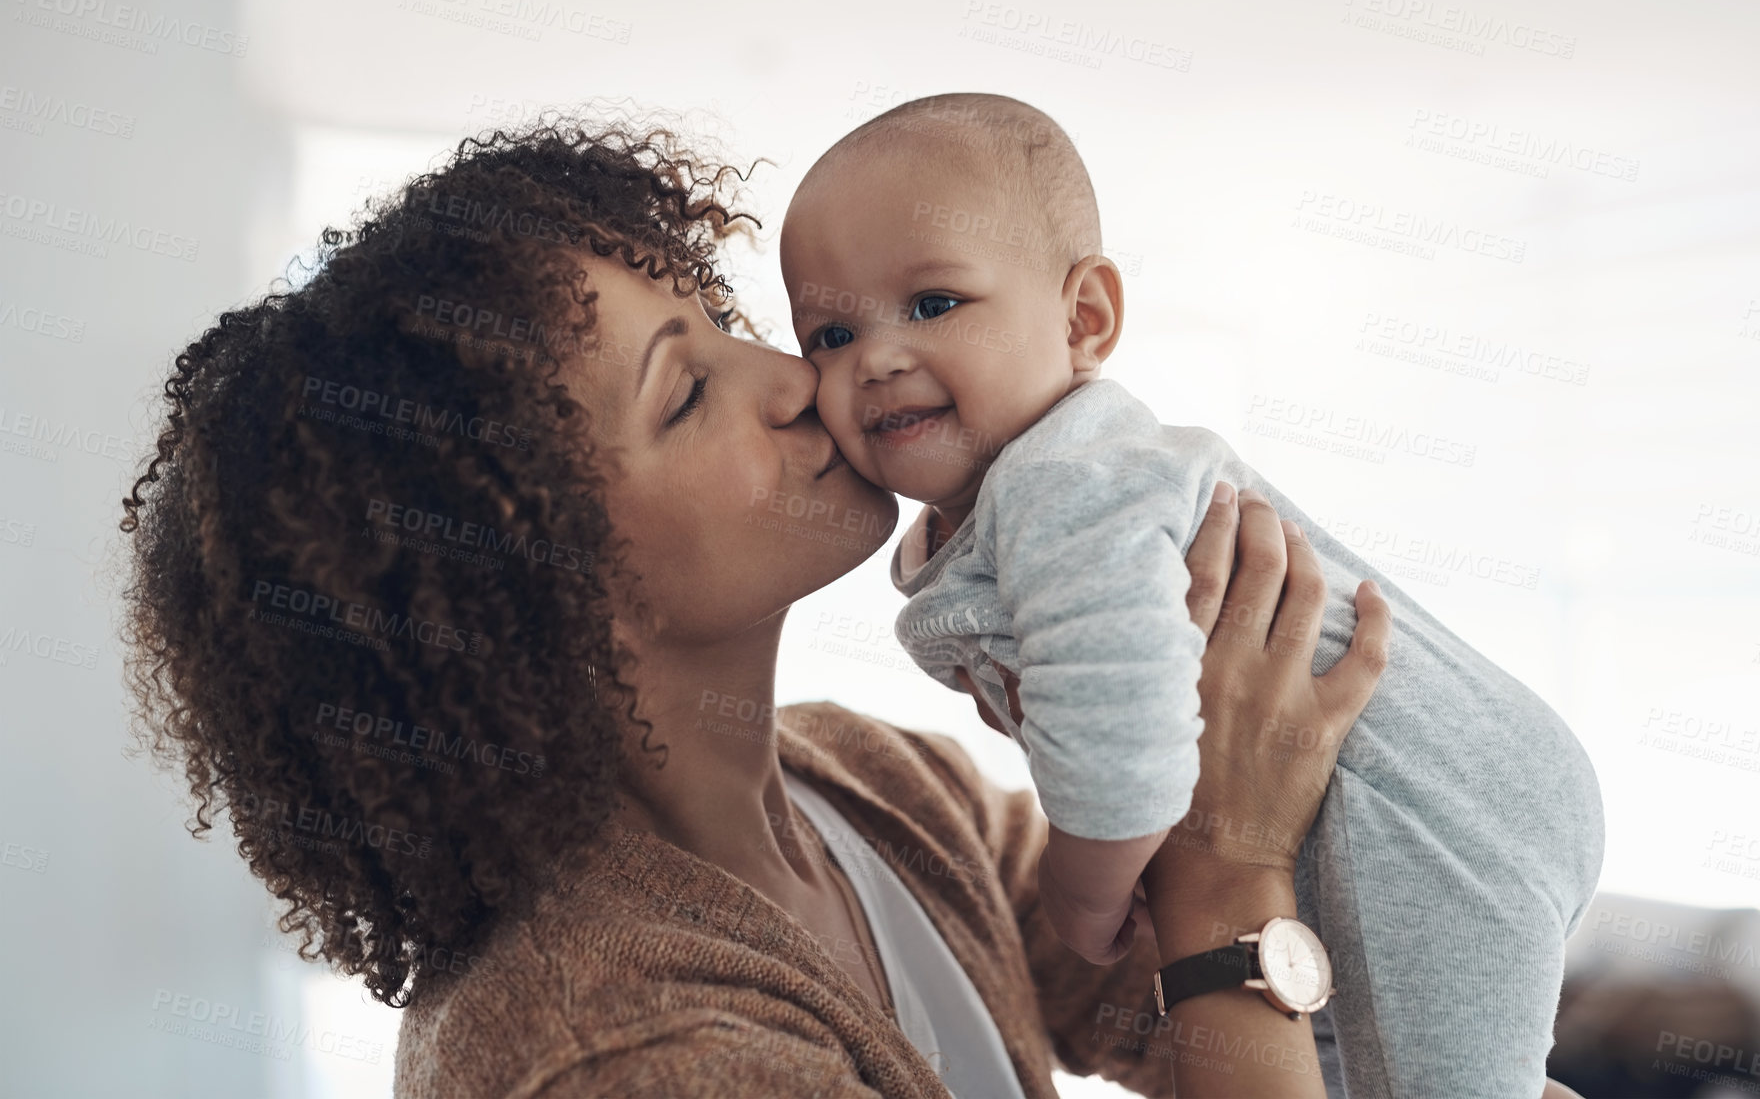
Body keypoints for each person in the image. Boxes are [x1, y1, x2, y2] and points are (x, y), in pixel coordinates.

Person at [118, 114, 1581, 1098]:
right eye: (690, 392)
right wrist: (1231, 864)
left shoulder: (865, 786)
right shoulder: (619, 1048)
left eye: (734, 329)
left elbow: (1214, 1018)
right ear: (528, 585)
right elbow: (1215, 947)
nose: (798, 376)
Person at [778, 91, 1606, 1098]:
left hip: (1427, 798)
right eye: (826, 332)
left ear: (1083, 319)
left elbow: (1118, 716)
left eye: (932, 304)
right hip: (1396, 813)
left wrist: (1084, 890)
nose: (875, 358)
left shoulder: (1060, 482)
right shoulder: (1000, 511)